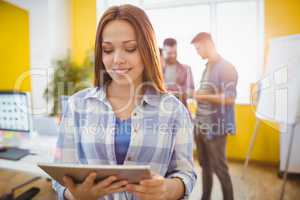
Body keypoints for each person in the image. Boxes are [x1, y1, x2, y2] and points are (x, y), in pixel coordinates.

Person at [52, 4, 196, 200]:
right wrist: (74, 195)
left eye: (130, 48)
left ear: (147, 50)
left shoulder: (174, 111)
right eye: (108, 50)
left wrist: (166, 190)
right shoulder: (77, 105)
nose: (117, 59)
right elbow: (60, 175)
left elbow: (185, 174)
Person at [191, 32, 238, 200]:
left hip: (216, 128)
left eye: (198, 48)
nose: (197, 52)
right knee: (205, 167)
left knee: (220, 169)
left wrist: (201, 96)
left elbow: (230, 98)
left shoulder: (226, 67)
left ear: (207, 44)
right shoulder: (206, 67)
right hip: (201, 126)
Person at [162, 38, 194, 107]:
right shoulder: (157, 70)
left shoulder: (186, 69)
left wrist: (169, 91)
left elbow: (190, 92)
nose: (173, 55)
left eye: (175, 52)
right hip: (162, 110)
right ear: (163, 52)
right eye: (169, 53)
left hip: (180, 109)